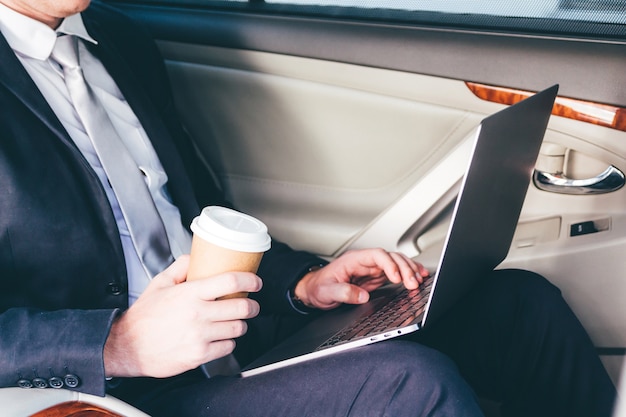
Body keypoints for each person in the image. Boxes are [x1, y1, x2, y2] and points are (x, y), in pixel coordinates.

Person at [0, 0, 617, 416]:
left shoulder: (118, 42)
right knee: (409, 381)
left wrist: (303, 285)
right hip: (118, 395)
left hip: (233, 340)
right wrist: (118, 345)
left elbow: (196, 223)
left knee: (519, 306)